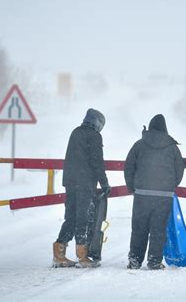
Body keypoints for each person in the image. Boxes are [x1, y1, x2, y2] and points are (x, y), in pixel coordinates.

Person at [124, 114, 186, 270]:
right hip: (163, 195)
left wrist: (132, 188)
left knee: (139, 228)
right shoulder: (172, 147)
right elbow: (179, 170)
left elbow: (129, 167)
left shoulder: (139, 145)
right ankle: (154, 260)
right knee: (158, 229)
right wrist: (170, 185)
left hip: (142, 195)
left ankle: (135, 260)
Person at [52, 108, 111, 268]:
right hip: (85, 183)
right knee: (83, 218)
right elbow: (97, 162)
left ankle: (59, 253)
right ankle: (82, 256)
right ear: (98, 123)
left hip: (70, 182)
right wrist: (104, 183)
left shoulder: (76, 132)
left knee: (71, 217)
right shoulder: (94, 136)